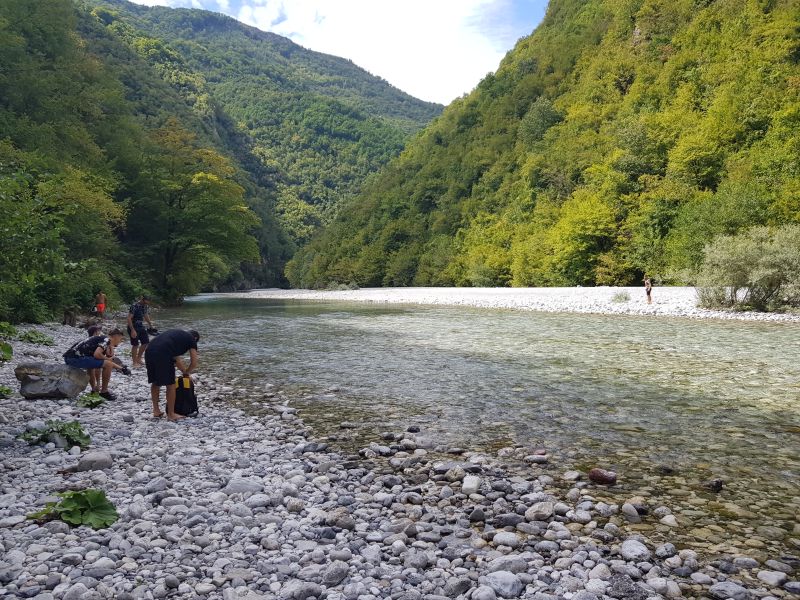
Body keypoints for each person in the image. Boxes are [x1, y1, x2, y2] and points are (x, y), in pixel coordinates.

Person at [144, 329, 199, 420]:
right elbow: (194, 363)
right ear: (195, 338)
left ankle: (156, 410)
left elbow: (176, 359)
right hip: (163, 353)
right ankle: (171, 414)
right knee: (170, 384)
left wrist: (184, 373)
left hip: (149, 350)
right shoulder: (191, 339)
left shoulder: (176, 336)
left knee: (155, 381)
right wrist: (188, 372)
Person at [63, 328, 126, 400]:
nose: (120, 341)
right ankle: (104, 392)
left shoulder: (102, 339)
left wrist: (111, 348)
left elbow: (101, 357)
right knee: (108, 364)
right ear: (116, 336)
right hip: (75, 359)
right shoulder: (107, 340)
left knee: (93, 365)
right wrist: (109, 360)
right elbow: (97, 354)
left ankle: (94, 390)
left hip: (70, 358)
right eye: (120, 339)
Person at [127, 295, 153, 367]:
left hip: (140, 326)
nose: (147, 303)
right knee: (135, 344)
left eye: (148, 302)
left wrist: (150, 325)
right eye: (146, 301)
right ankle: (134, 362)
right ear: (142, 299)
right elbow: (129, 318)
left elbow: (145, 315)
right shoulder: (134, 306)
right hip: (133, 326)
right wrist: (132, 330)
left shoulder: (144, 306)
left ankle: (139, 358)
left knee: (145, 342)